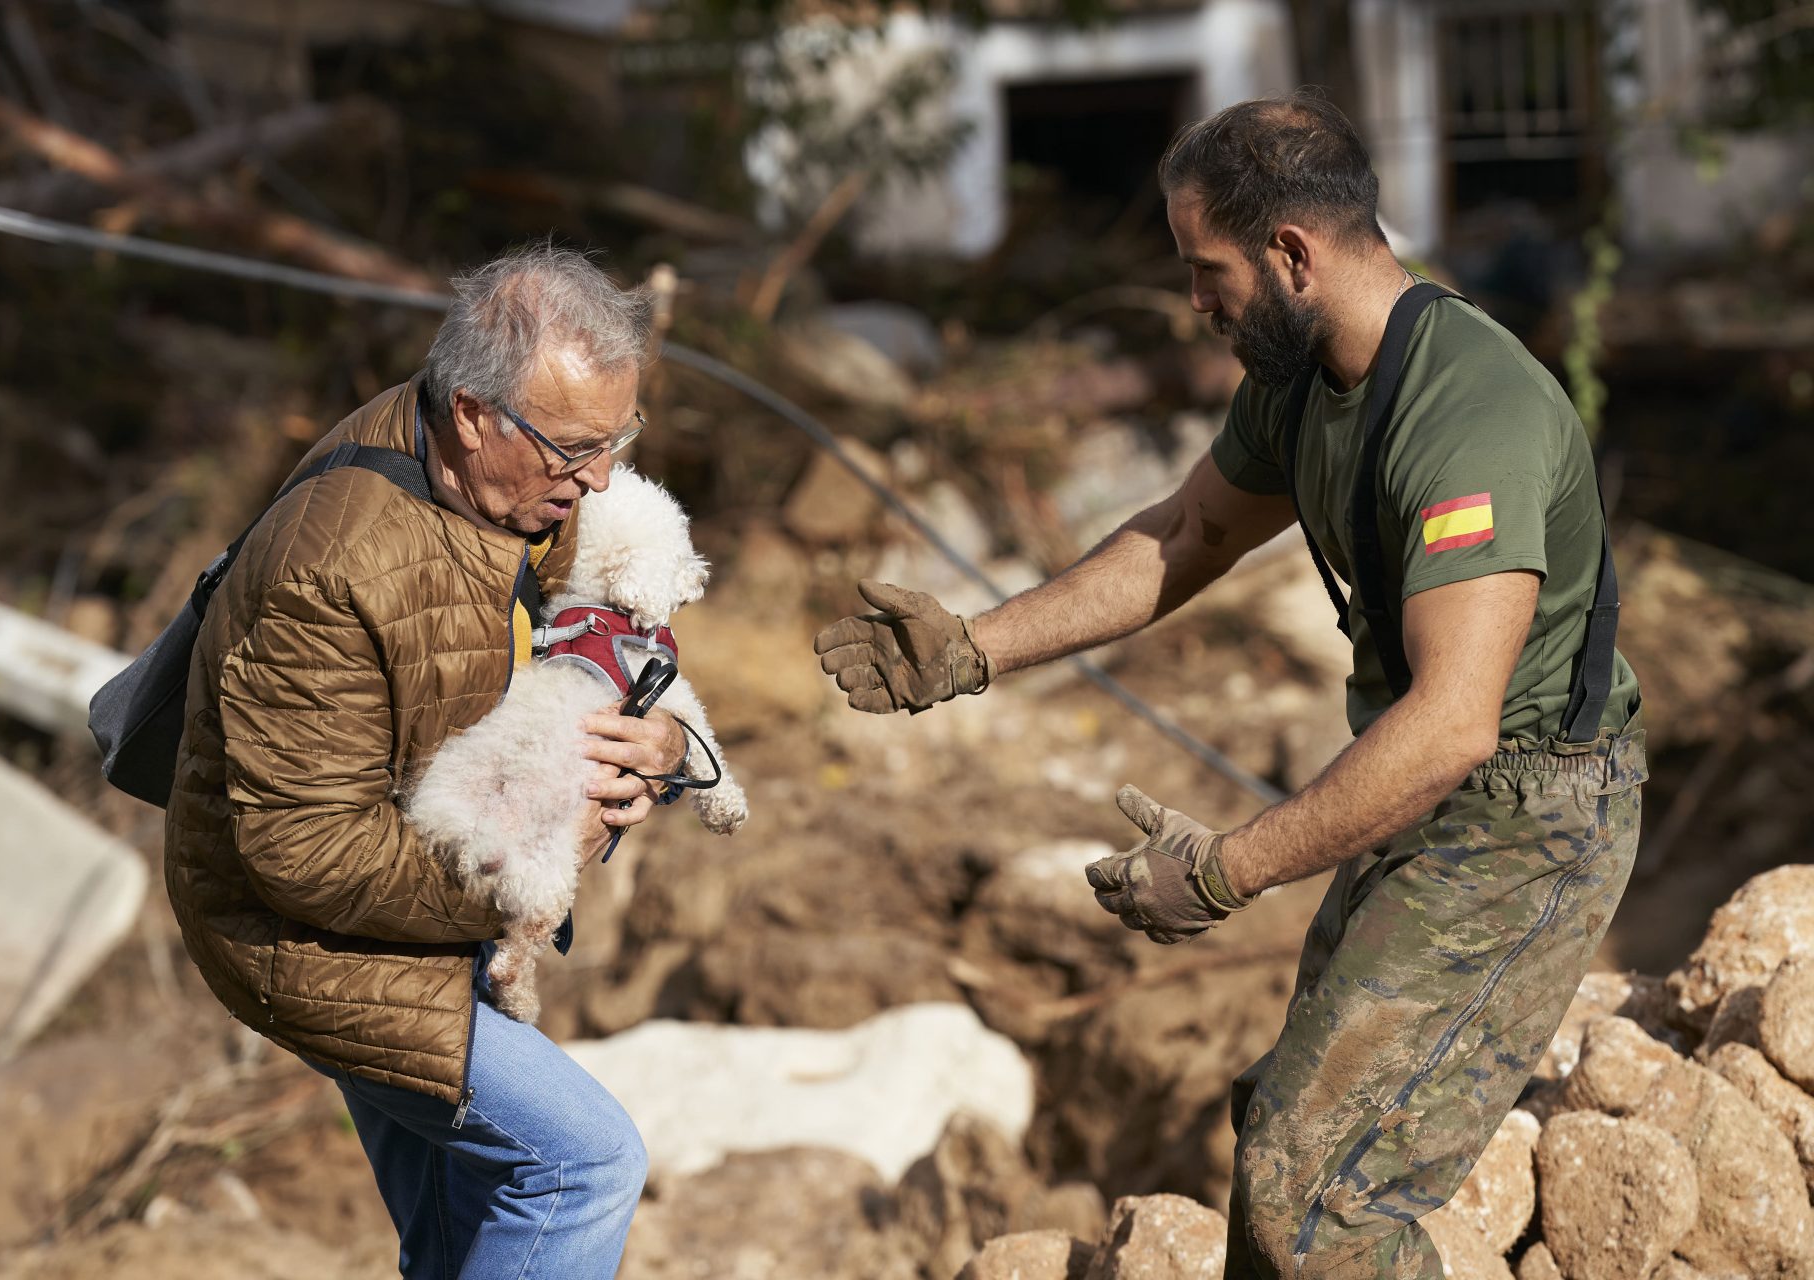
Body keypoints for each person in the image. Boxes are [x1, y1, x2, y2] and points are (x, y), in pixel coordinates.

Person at [814, 92, 1644, 1276]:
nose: (1195, 303)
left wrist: (1225, 869)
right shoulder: (1302, 374)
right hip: (1433, 782)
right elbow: (1188, 533)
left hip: (1529, 814)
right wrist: (971, 647)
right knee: (1281, 1133)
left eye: (1208, 270)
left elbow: (1456, 720)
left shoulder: (1472, 411)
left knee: (1320, 1193)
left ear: (1292, 254)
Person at [164, 244, 686, 1279]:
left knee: (460, 1239)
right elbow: (303, 852)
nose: (599, 477)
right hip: (304, 936)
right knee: (580, 1164)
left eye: (617, 438)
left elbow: (615, 623)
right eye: (576, 447)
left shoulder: (521, 481)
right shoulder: (330, 565)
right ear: (473, 412)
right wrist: (529, 864)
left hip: (425, 884)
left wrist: (659, 741)